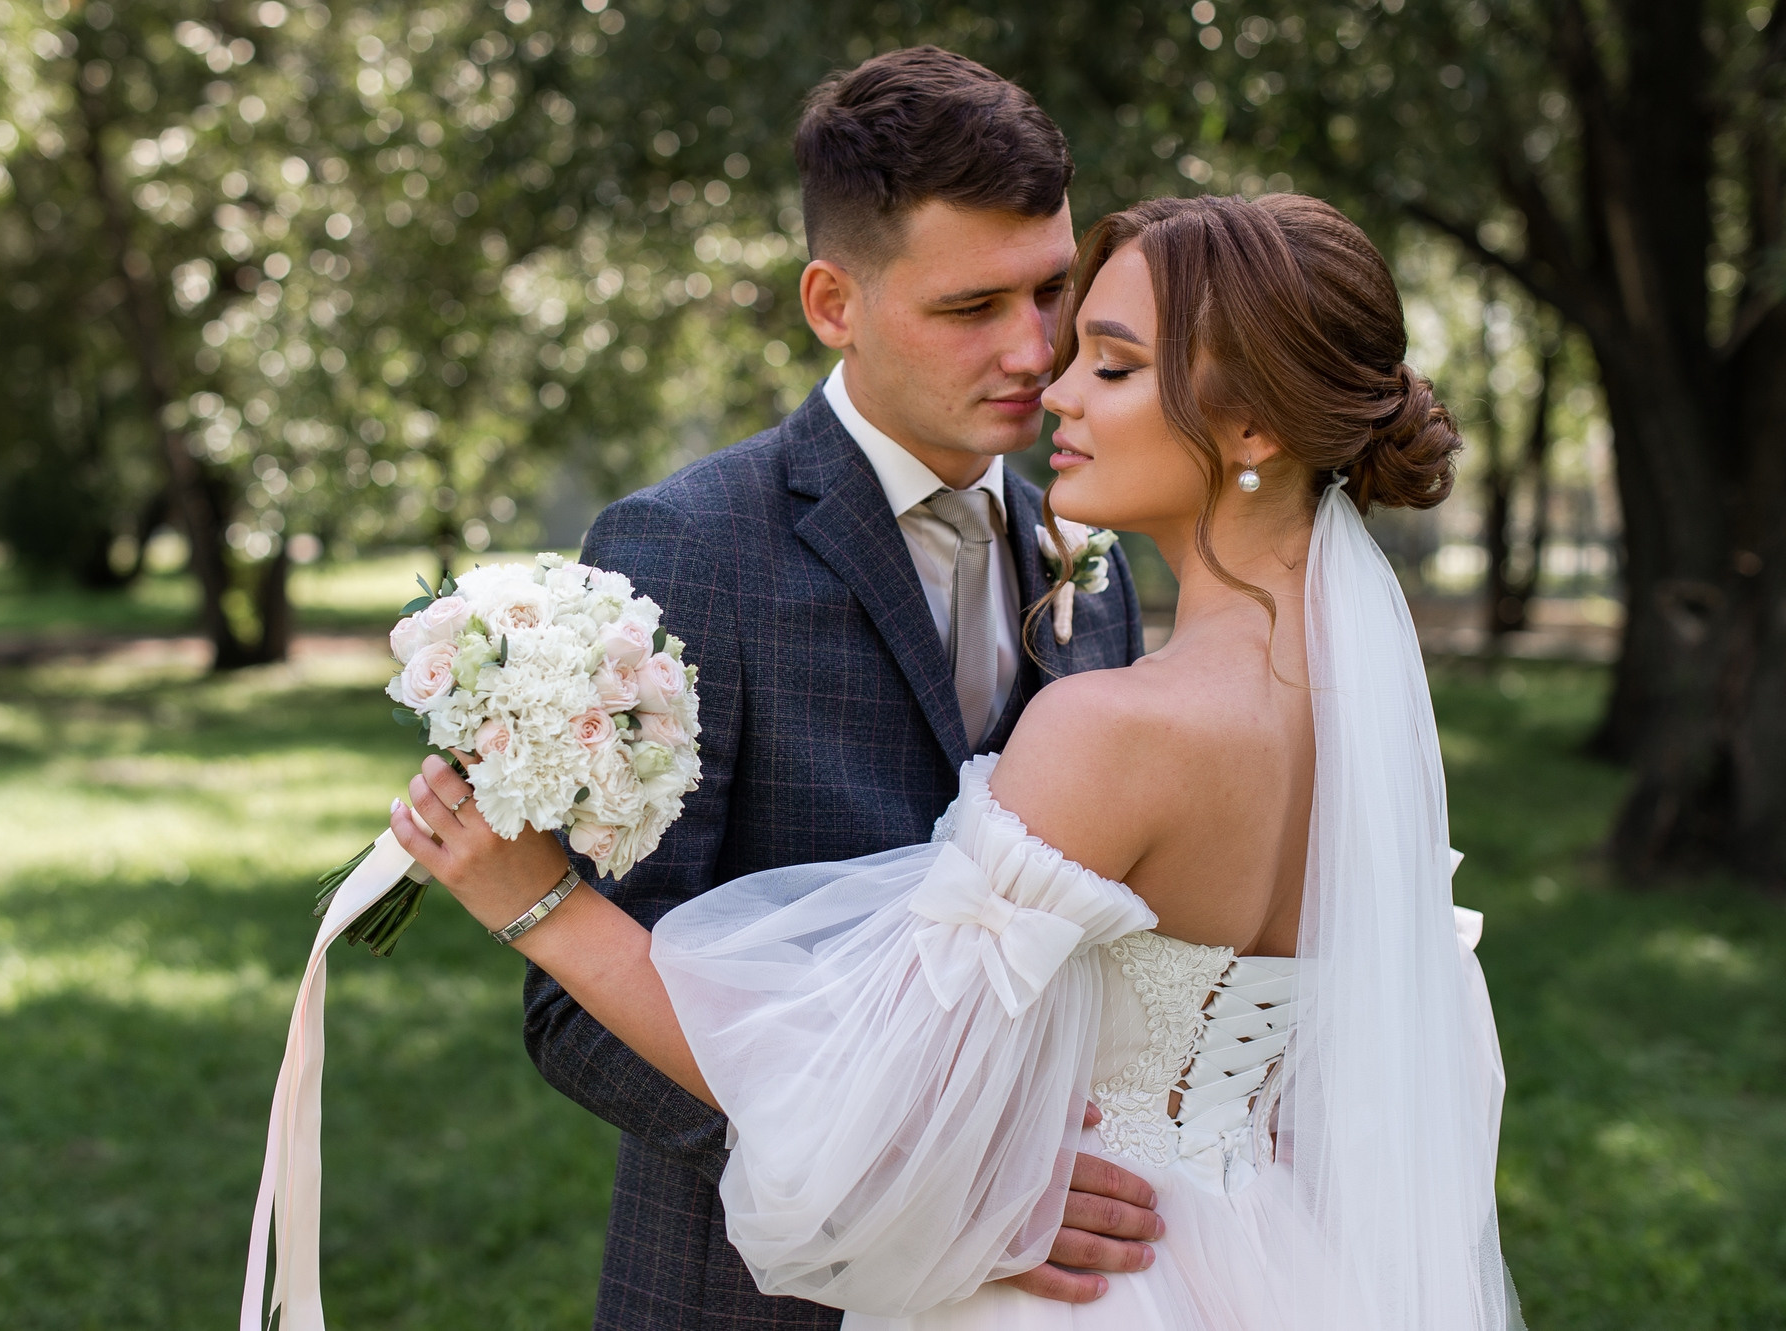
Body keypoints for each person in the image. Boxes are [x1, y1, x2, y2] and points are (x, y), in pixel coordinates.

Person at [395, 190, 1522, 1329]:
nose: (1054, 384)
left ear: (1252, 429)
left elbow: (855, 1108)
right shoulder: (1363, 709)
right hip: (1265, 1262)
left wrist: (533, 897)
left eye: (1111, 365)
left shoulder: (1113, 727)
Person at [426, 46, 1155, 1331]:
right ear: (832, 300)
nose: (1034, 350)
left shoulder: (1085, 554)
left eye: (1052, 291)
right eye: (969, 306)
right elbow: (577, 1004)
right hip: (752, 1290)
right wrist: (928, 1193)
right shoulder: (687, 548)